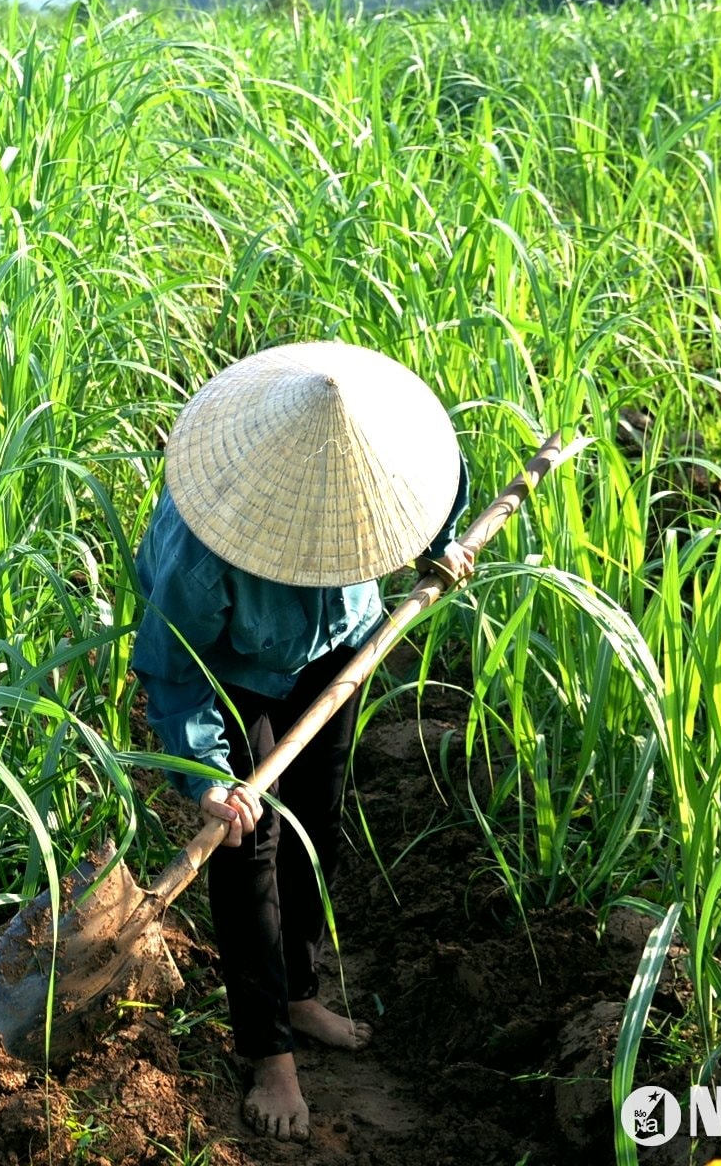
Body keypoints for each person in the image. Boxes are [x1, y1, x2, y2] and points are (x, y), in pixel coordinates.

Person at [129, 340, 473, 1141]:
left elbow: (433, 484)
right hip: (231, 669)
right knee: (248, 841)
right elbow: (173, 670)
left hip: (339, 648)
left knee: (316, 819)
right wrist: (208, 776)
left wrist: (437, 545)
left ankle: (300, 992)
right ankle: (269, 1052)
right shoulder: (203, 549)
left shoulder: (377, 457)